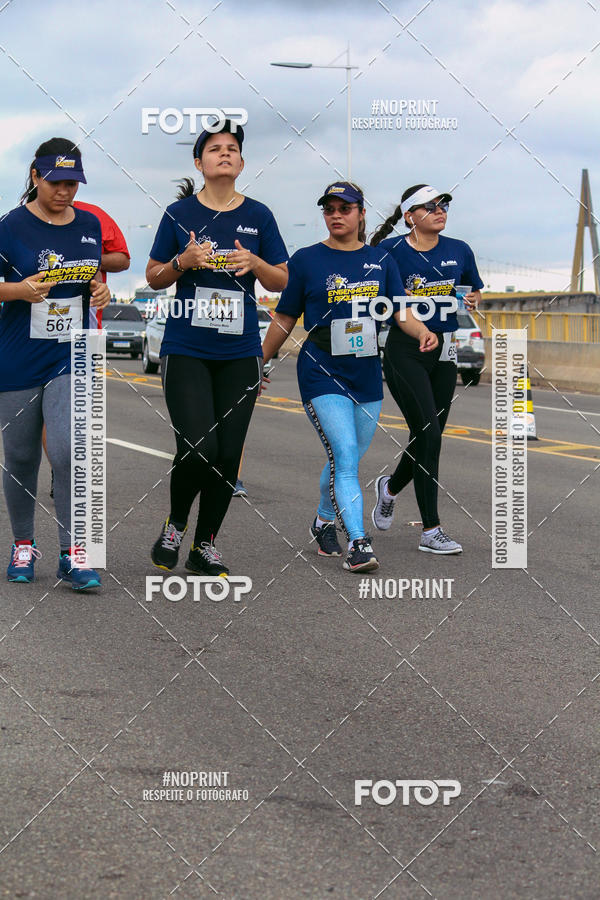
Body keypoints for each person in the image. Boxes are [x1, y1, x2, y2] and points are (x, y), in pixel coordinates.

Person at [262, 182, 437, 573]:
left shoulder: (381, 260)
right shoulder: (306, 260)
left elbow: (400, 311)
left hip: (366, 373)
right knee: (343, 454)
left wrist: (422, 330)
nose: (336, 215)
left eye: (345, 208)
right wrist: (259, 361)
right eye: (330, 209)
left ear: (361, 214)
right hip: (322, 369)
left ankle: (323, 521)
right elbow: (286, 317)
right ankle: (359, 542)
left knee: (348, 457)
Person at [146, 120, 288, 576]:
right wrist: (182, 261)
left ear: (242, 163)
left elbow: (282, 280)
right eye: (214, 148)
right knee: (199, 446)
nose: (224, 153)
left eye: (232, 148)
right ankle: (175, 524)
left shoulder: (260, 216)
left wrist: (256, 261)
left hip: (239, 352)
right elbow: (153, 276)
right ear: (199, 162)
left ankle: (204, 546)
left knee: (228, 454)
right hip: (186, 347)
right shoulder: (178, 214)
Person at [0, 137, 111, 587]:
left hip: (72, 353)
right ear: (35, 176)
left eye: (72, 183)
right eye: (56, 182)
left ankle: (75, 553)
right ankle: (23, 545)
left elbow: (90, 278)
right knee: (20, 456)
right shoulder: (11, 225)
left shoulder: (88, 224)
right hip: (18, 355)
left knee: (68, 451)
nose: (65, 191)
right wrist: (17, 290)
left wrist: (100, 290)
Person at [370, 184, 483, 553]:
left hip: (445, 350)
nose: (440, 210)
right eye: (430, 206)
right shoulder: (390, 251)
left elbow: (474, 292)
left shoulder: (459, 250)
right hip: (405, 350)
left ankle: (389, 489)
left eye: (443, 205)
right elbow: (371, 295)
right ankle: (431, 530)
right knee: (429, 435)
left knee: (427, 437)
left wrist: (473, 298)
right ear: (410, 216)